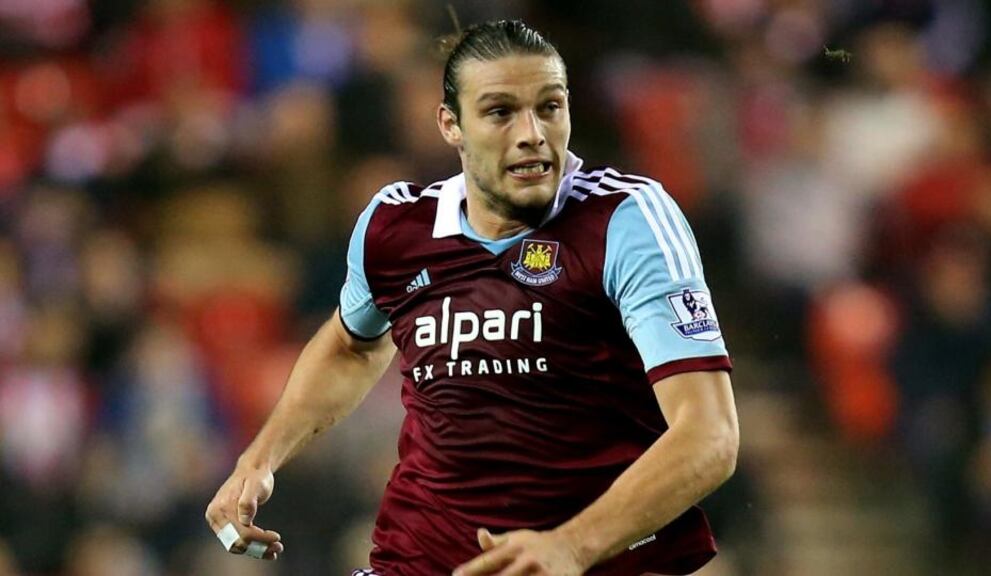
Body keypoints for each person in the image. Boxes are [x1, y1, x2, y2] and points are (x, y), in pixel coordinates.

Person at [205, 19, 739, 576]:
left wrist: (572, 545)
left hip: (601, 562)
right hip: (420, 561)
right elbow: (351, 347)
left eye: (550, 107)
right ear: (450, 125)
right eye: (500, 111)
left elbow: (710, 435)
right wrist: (259, 459)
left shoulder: (625, 221)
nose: (532, 132)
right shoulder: (395, 226)